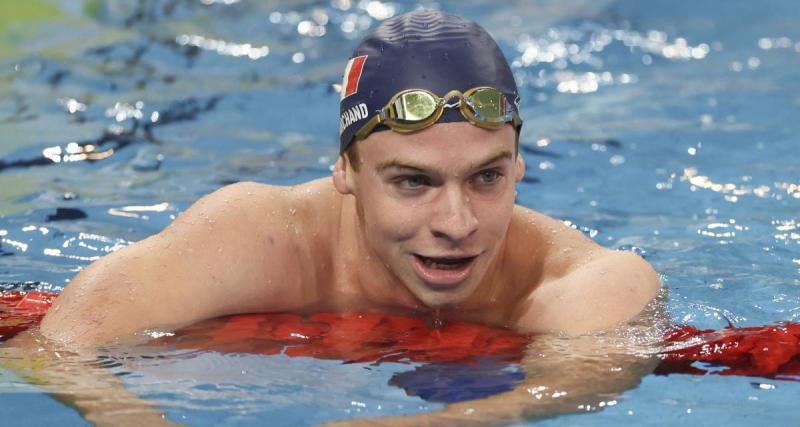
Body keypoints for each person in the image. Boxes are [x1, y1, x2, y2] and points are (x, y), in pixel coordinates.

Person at [9, 9, 661, 426]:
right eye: (413, 180)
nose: (457, 222)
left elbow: (590, 375)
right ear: (345, 172)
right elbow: (61, 341)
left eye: (486, 176)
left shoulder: (583, 281)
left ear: (520, 165)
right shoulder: (260, 236)